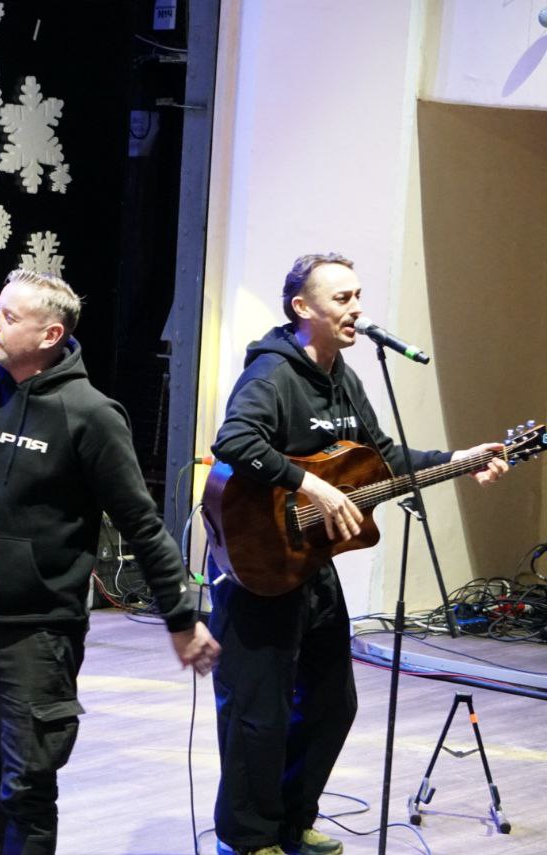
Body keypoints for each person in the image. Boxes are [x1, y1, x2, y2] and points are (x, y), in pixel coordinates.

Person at [0, 268, 219, 854]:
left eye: (9, 316)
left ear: (50, 334)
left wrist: (180, 617)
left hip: (39, 634)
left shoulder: (91, 414)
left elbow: (142, 524)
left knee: (27, 789)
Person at [207, 252, 509, 855]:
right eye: (342, 298)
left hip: (311, 564)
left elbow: (383, 459)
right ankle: (247, 839)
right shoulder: (272, 374)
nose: (357, 309)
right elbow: (234, 440)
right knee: (258, 713)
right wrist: (310, 484)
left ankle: (292, 822)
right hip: (258, 562)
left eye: (358, 296)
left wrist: (458, 460)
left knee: (331, 704)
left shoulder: (343, 377)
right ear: (302, 307)